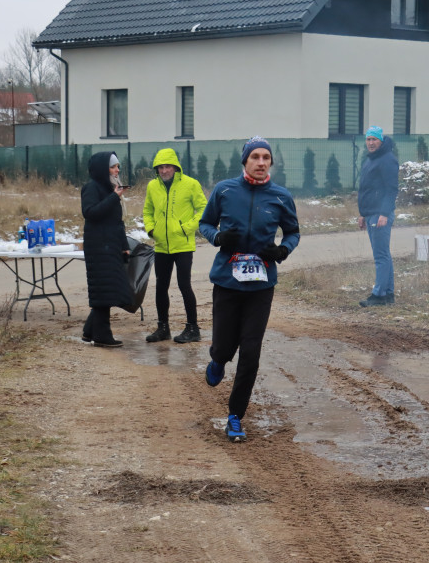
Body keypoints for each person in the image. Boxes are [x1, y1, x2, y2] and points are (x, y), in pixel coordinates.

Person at [199, 136, 300, 442]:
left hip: (261, 284)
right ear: (244, 161)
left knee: (251, 350)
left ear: (271, 162)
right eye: (254, 156)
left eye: (265, 157)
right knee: (225, 345)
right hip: (227, 281)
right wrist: (218, 238)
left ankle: (235, 416)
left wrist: (282, 252)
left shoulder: (281, 197)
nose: (260, 162)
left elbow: (293, 233)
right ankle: (217, 359)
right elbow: (204, 224)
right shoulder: (225, 190)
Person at [142, 148, 207, 344]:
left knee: (184, 285)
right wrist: (151, 230)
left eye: (167, 166)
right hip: (162, 245)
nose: (164, 170)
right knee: (161, 286)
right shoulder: (152, 186)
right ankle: (163, 328)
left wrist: (187, 228)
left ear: (176, 167)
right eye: (160, 167)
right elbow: (147, 210)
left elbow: (204, 208)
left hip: (183, 245)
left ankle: (193, 328)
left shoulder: (190, 184)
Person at [80, 151, 133, 347]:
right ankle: (102, 336)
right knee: (104, 291)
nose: (117, 170)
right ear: (102, 169)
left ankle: (89, 331)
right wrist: (113, 197)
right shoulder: (91, 188)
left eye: (118, 166)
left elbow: (116, 222)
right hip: (98, 246)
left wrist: (124, 245)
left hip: (111, 245)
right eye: (113, 166)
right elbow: (90, 213)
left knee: (108, 288)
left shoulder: (111, 188)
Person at [356, 125, 399, 307]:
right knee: (383, 254)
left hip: (380, 214)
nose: (371, 143)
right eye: (368, 139)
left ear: (381, 141)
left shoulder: (387, 160)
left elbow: (391, 189)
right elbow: (366, 189)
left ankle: (379, 295)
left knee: (380, 255)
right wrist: (362, 214)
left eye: (374, 139)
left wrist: (384, 213)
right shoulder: (370, 160)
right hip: (371, 213)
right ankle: (387, 294)